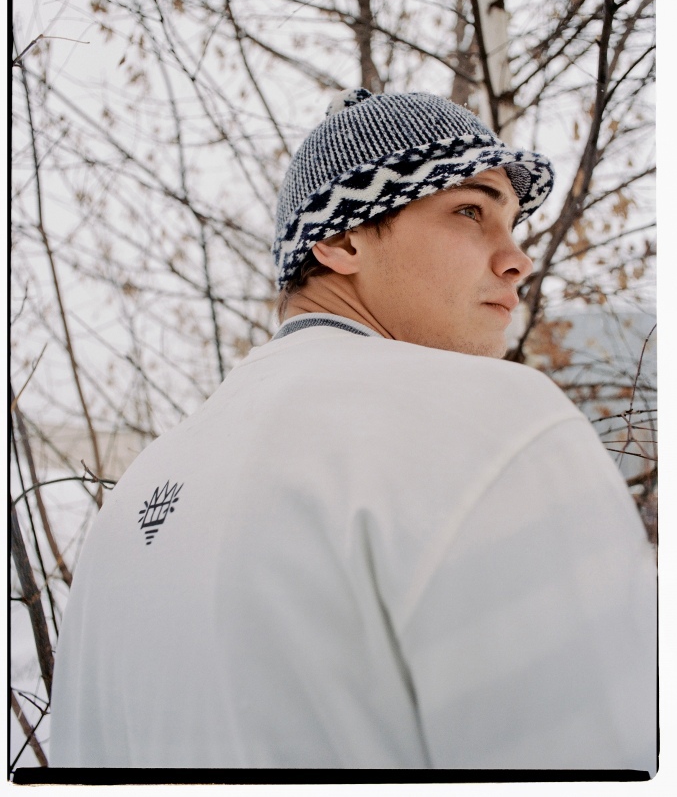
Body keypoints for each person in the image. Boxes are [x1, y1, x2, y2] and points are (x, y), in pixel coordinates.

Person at [50, 89, 656, 773]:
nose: (517, 259)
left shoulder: (136, 496)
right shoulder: (489, 417)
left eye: (512, 224)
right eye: (470, 211)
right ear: (341, 240)